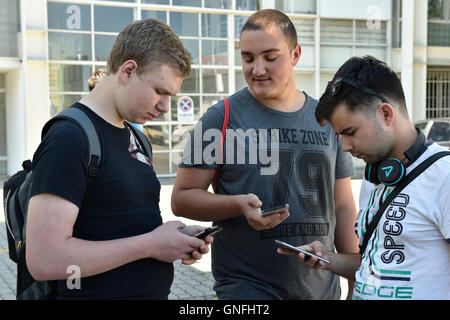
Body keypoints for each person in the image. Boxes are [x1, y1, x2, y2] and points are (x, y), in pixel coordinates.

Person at [171, 9, 359, 300]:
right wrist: (237, 205)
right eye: (248, 58)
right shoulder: (220, 117)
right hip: (246, 289)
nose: (257, 69)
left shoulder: (327, 118)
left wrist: (353, 277)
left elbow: (343, 205)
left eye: (270, 57)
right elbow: (181, 197)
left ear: (296, 55)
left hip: (321, 290)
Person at [25, 19, 213, 300]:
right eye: (160, 92)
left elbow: (122, 224)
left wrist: (176, 238)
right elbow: (44, 259)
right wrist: (151, 245)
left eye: (170, 96)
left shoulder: (136, 137)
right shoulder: (69, 138)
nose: (164, 107)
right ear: (128, 71)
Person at [278, 56, 450, 300]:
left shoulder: (444, 176)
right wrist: (327, 258)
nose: (345, 146)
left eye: (350, 132)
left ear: (386, 114)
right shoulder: (374, 178)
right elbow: (373, 265)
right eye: (339, 136)